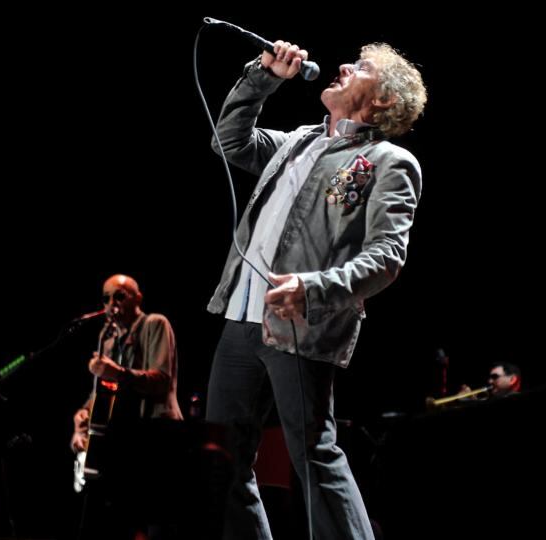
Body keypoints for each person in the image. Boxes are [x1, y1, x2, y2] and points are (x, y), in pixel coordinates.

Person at [204, 40, 426, 539]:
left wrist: (313, 286)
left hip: (301, 324)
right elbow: (230, 142)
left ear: (383, 101)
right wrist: (264, 78)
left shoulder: (388, 161)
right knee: (223, 459)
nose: (344, 65)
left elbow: (387, 257)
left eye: (362, 67)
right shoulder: (297, 141)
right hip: (240, 318)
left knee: (312, 453)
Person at [70, 274, 184, 539]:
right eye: (106, 298)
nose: (112, 302)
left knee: (159, 519)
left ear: (138, 298)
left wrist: (116, 372)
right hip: (126, 438)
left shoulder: (155, 323)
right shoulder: (107, 338)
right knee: (120, 519)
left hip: (158, 433)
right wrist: (82, 417)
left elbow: (161, 380)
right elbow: (101, 392)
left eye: (120, 295)